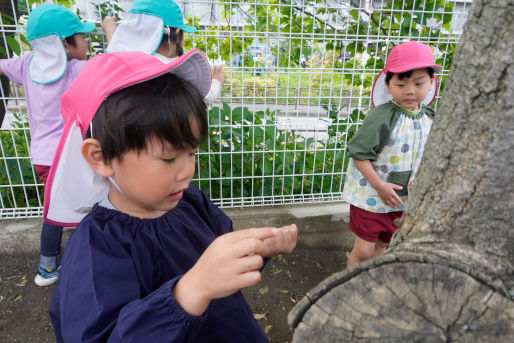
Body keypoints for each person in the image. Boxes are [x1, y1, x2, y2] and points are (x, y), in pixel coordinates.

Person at [44, 49, 298, 342]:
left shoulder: (191, 203)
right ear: (101, 157)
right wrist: (190, 291)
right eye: (168, 159)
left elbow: (223, 255)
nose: (186, 171)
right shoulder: (95, 247)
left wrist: (259, 249)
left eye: (191, 153)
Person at [0, 4, 95, 286]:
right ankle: (83, 264)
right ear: (66, 44)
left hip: (42, 157)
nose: (87, 42)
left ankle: (47, 268)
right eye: (82, 37)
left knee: (54, 211)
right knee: (85, 208)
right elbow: (112, 67)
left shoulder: (26, 65)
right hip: (71, 156)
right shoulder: (78, 69)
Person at [342, 41, 441, 267]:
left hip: (400, 200)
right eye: (401, 83)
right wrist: (379, 186)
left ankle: (369, 282)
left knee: (382, 247)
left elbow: (428, 155)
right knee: (364, 250)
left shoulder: (429, 117)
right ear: (387, 84)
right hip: (371, 197)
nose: (410, 91)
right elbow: (359, 154)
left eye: (418, 83)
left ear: (431, 82)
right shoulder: (383, 116)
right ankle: (348, 286)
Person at [101, 0, 226, 108]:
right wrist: (217, 81)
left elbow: (116, 53)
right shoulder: (175, 68)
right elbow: (205, 95)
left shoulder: (124, 63)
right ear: (177, 33)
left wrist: (110, 30)